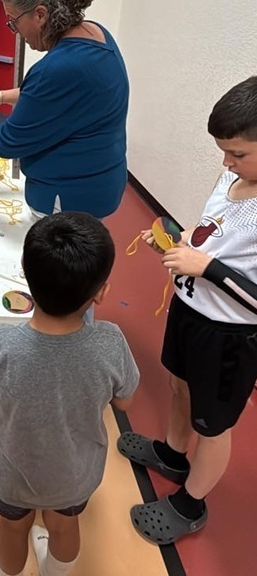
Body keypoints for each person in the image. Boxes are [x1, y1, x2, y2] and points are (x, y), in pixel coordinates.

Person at [117, 76, 257, 545]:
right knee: (178, 384)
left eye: (237, 153)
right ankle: (174, 454)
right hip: (190, 308)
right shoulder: (233, 178)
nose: (226, 162)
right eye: (223, 151)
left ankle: (192, 502)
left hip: (230, 334)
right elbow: (212, 232)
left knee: (212, 423)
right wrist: (183, 246)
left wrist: (208, 267)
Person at [0, 212, 139, 576]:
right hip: (75, 474)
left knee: (12, 528)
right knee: (62, 526)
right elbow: (125, 402)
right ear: (101, 292)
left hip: (12, 473)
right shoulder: (111, 342)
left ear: (24, 272)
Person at [0, 0, 129, 220]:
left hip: (67, 198)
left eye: (13, 22)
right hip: (102, 180)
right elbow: (61, 101)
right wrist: (0, 96)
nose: (15, 32)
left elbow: (8, 141)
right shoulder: (97, 34)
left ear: (40, 14)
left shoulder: (56, 68)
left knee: (57, 258)